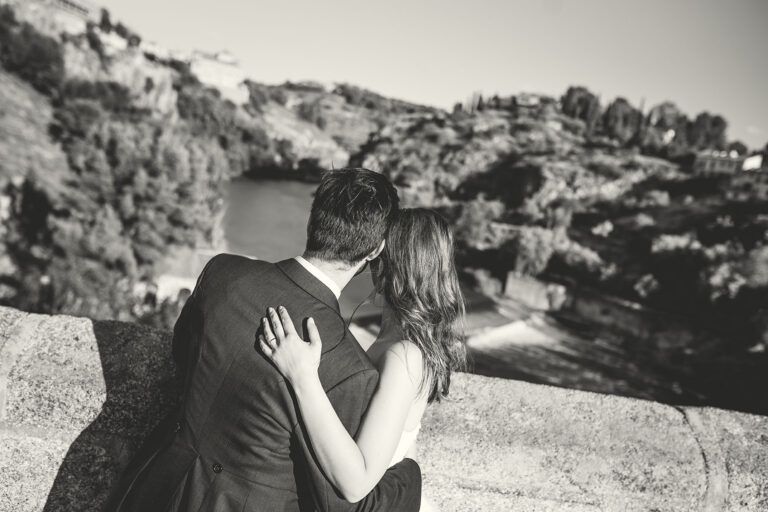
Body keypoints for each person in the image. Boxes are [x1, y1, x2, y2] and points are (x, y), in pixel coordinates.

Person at [108, 168, 422, 512]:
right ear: (375, 249)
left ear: (314, 218)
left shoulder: (222, 274)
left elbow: (183, 355)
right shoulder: (351, 368)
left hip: (155, 485)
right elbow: (329, 493)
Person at [260, 208, 466, 511]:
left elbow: (355, 484)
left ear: (388, 261)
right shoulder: (399, 344)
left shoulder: (404, 355)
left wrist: (302, 376)